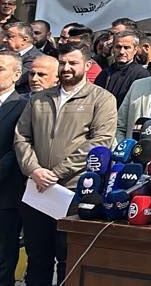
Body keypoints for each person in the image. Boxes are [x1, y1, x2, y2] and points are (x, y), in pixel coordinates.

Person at [14, 43, 116, 286]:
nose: (67, 67)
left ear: (88, 65)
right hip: (37, 190)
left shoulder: (101, 99)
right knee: (37, 258)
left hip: (73, 191)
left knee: (68, 259)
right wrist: (34, 170)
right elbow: (21, 136)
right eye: (62, 62)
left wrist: (56, 173)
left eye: (73, 62)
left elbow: (99, 143)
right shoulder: (39, 99)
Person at [0, 51, 28, 286]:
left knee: (3, 257)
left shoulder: (22, 106)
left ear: (16, 75)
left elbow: (15, 148)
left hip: (5, 195)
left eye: (0, 69)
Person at [93, 29, 151, 104]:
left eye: (127, 48)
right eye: (118, 47)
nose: (121, 52)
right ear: (113, 49)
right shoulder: (105, 73)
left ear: (135, 49)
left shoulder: (141, 74)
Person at [3, 22, 42, 94]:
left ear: (24, 39)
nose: (4, 40)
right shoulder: (4, 53)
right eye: (4, 36)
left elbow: (14, 80)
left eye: (9, 36)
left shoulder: (36, 59)